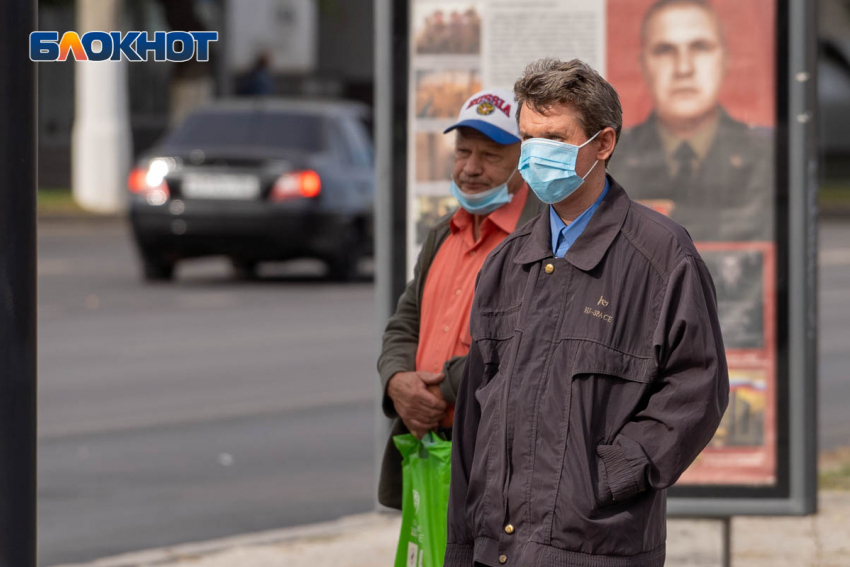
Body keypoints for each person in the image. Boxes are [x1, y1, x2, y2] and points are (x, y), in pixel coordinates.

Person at [444, 58, 729, 567]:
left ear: (602, 144)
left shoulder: (661, 255)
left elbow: (698, 387)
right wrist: (463, 548)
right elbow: (474, 421)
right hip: (498, 551)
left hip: (599, 549)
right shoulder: (507, 262)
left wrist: (617, 472)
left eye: (553, 138)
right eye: (528, 139)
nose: (535, 155)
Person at [377, 89, 543, 510]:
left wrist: (440, 390)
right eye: (463, 152)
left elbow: (525, 343)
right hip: (431, 452)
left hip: (496, 458)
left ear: (523, 161)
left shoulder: (540, 237)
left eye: (489, 156)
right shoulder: (442, 233)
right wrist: (397, 380)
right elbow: (405, 322)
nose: (470, 168)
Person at [610, 0, 773, 242]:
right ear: (644, 65)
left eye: (700, 47)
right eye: (665, 50)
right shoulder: (610, 157)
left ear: (725, 59)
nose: (683, 68)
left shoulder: (769, 154)